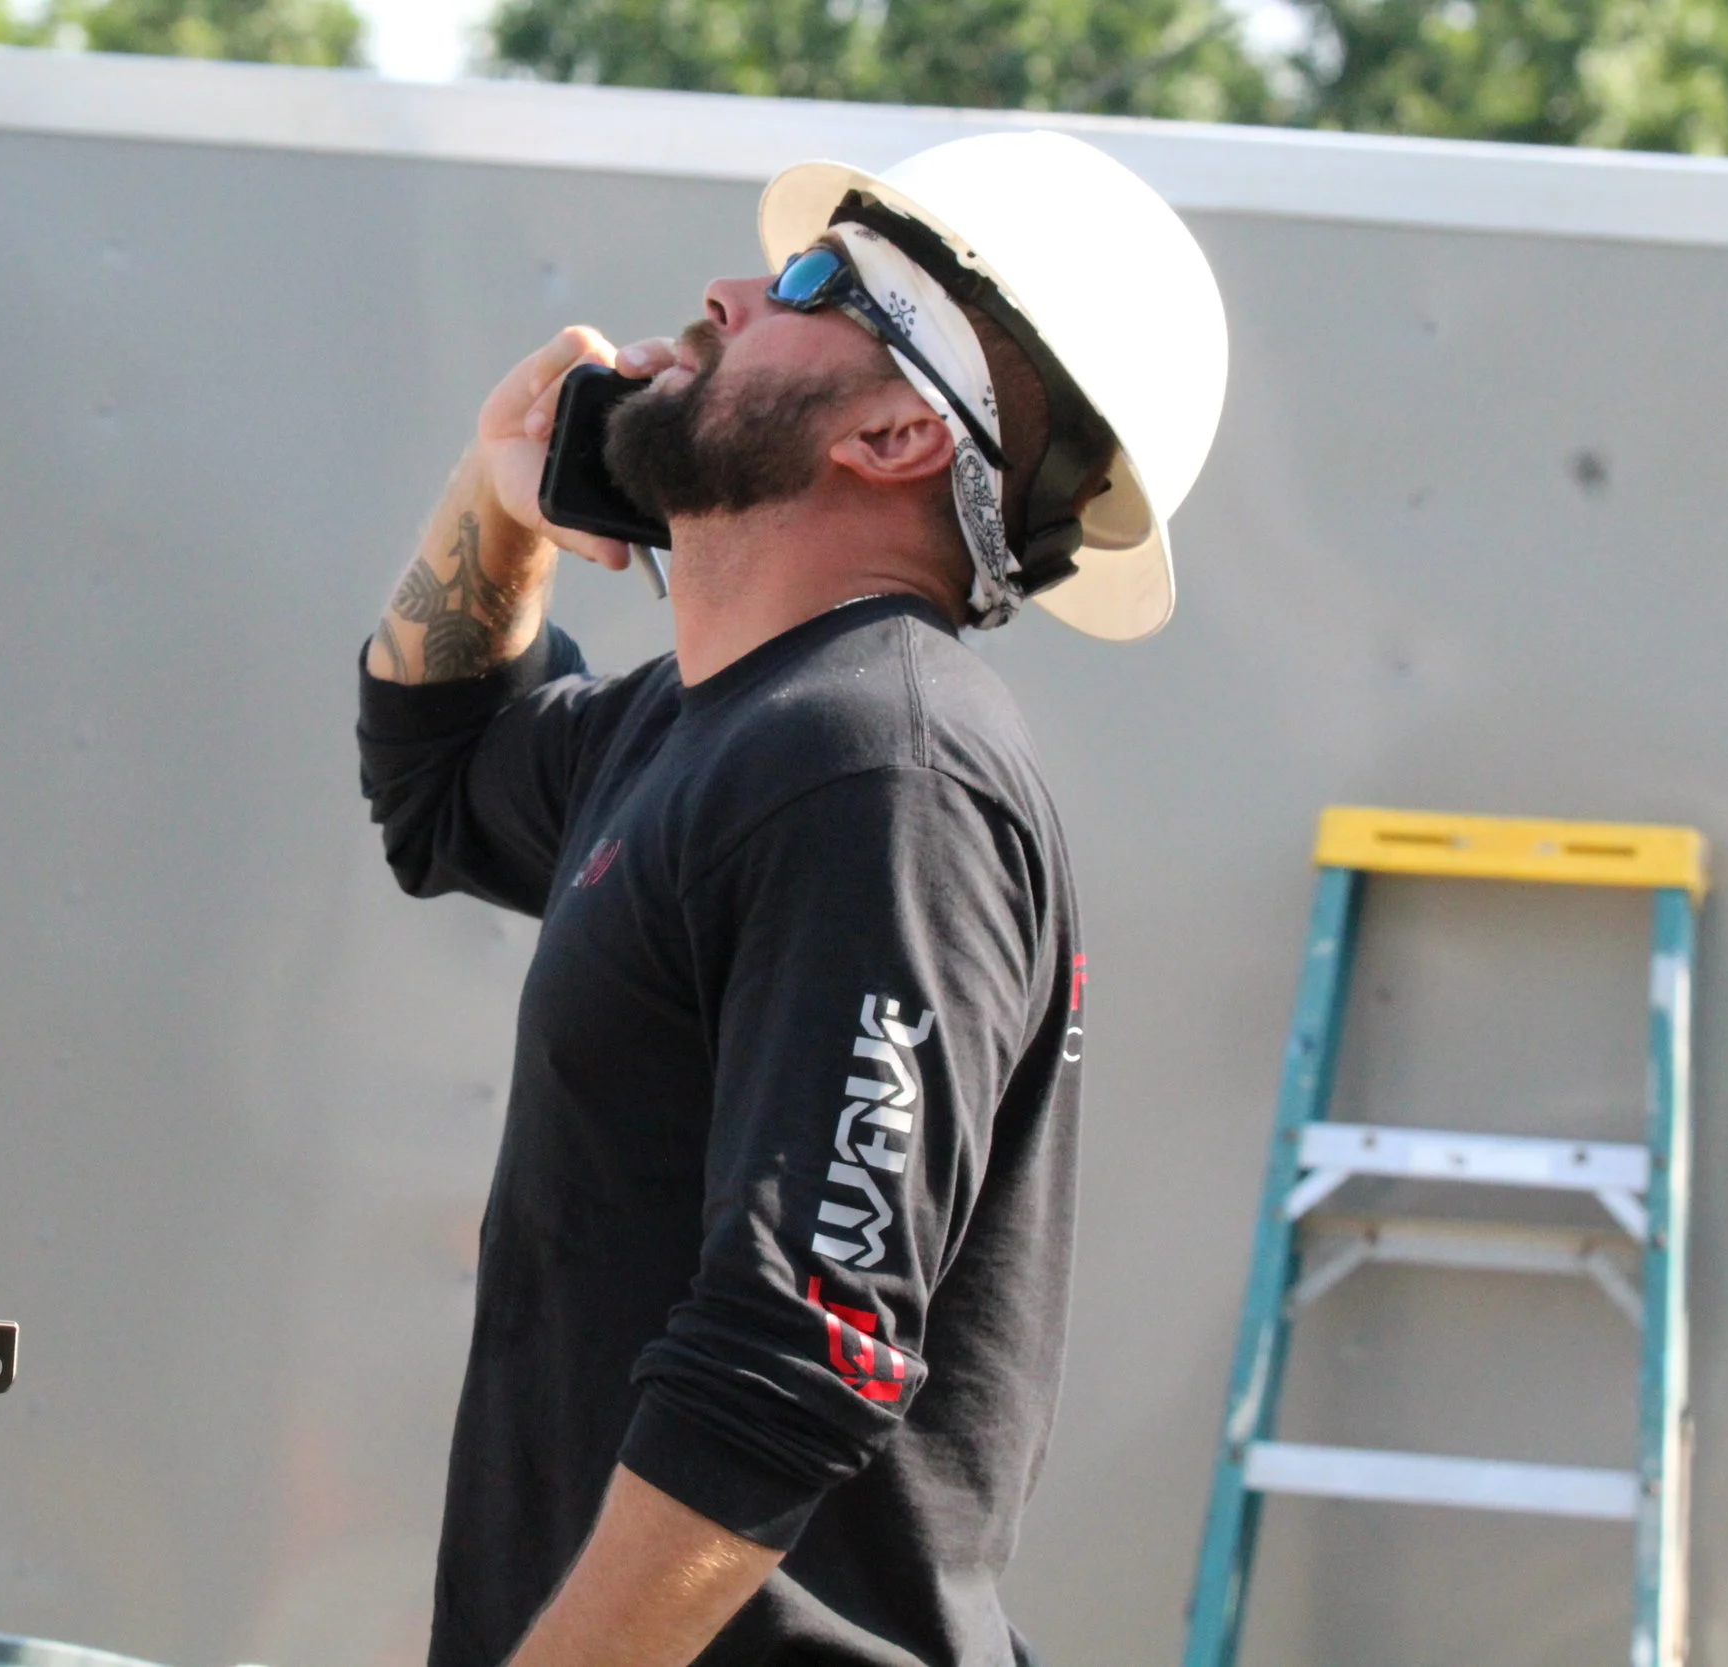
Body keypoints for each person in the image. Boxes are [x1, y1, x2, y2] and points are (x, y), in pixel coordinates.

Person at [356, 131, 1228, 1667]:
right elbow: (436, 777)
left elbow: (795, 1358)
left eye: (818, 279)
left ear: (897, 428)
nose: (730, 290)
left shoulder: (878, 769)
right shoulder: (700, 732)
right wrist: (497, 500)